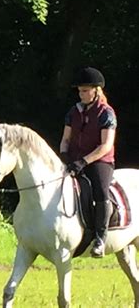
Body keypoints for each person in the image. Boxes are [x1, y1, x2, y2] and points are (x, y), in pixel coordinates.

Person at [59, 67, 117, 258]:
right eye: (79, 91)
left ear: (96, 90)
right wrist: (65, 156)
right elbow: (65, 139)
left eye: (85, 90)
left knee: (100, 189)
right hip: (75, 160)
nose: (81, 94)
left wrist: (84, 161)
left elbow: (106, 145)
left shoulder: (106, 113)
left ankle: (100, 237)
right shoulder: (73, 112)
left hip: (100, 161)